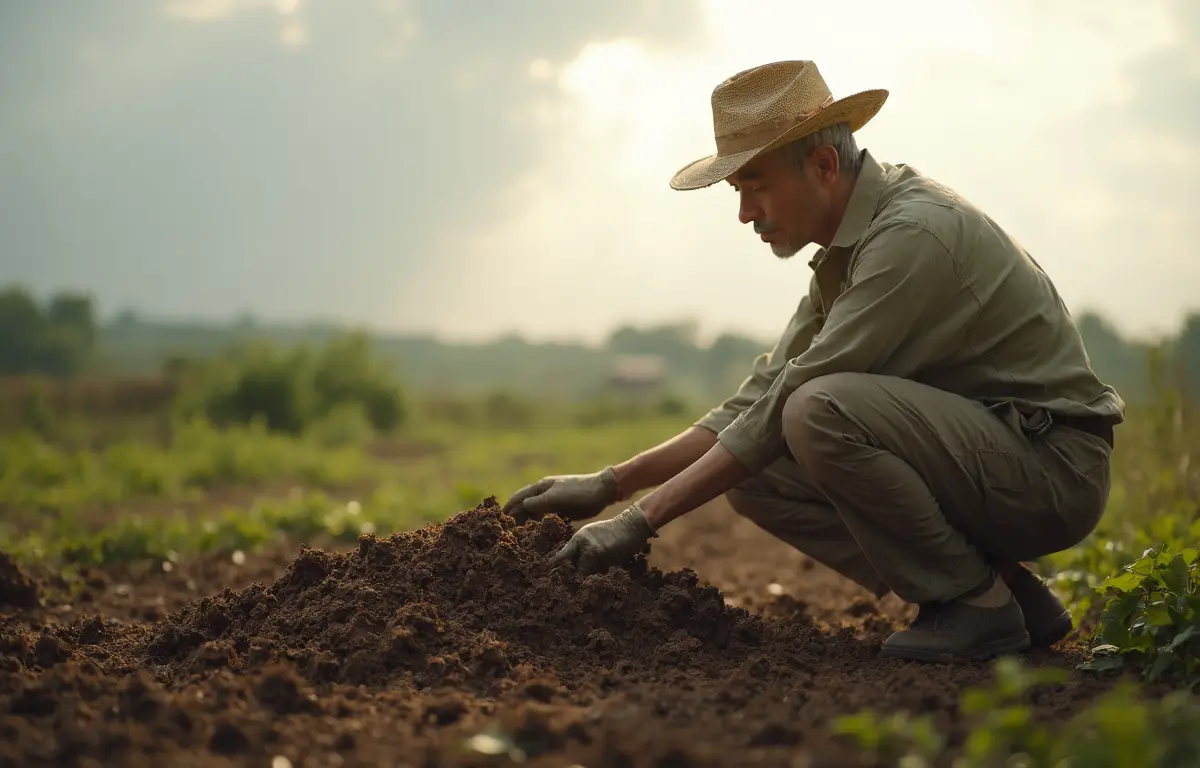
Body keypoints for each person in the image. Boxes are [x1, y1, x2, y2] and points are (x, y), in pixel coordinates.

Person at [501, 60, 1124, 663]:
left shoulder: (910, 237)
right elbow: (761, 397)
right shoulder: (851, 245)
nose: (745, 213)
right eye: (737, 191)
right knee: (759, 467)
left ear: (824, 164)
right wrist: (611, 484)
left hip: (1051, 474)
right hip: (993, 461)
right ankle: (1007, 593)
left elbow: (799, 396)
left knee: (818, 410)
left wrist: (639, 521)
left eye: (757, 185)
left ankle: (970, 602)